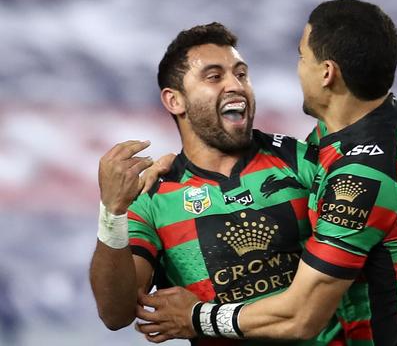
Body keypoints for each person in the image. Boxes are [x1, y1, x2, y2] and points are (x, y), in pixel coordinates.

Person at [137, 0, 397, 345]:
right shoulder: (382, 118)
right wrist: (184, 168)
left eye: (302, 56)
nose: (298, 68)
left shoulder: (360, 177)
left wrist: (198, 317)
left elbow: (302, 316)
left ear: (327, 73)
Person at [89, 22, 343, 346]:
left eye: (241, 74)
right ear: (174, 101)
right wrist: (111, 212)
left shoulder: (301, 162)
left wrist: (199, 317)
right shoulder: (153, 199)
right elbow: (115, 313)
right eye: (214, 76)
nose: (235, 85)